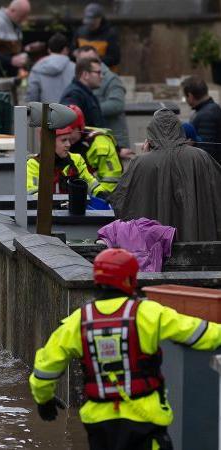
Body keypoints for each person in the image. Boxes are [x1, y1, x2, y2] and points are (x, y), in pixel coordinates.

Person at [30, 247, 221, 450]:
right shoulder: (148, 313)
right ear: (130, 280)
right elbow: (202, 334)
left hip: (99, 425)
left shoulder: (77, 321)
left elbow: (46, 368)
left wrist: (44, 400)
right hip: (145, 420)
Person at [109, 108, 221, 242]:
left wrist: (144, 158)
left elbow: (120, 201)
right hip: (200, 248)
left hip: (155, 250)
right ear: (180, 130)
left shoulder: (140, 163)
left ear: (150, 134)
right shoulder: (200, 157)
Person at [26, 125, 108, 198]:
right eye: (64, 140)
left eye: (69, 140)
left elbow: (90, 183)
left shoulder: (76, 159)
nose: (68, 144)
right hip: (49, 213)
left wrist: (100, 193)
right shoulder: (34, 164)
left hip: (74, 212)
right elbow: (33, 193)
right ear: (49, 142)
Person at [76, 45, 131, 150]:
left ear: (98, 60)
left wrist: (87, 110)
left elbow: (117, 105)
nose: (86, 64)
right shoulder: (78, 81)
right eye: (83, 61)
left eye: (90, 60)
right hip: (94, 142)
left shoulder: (111, 79)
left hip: (115, 143)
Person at [66, 104, 122, 196]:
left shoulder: (100, 145)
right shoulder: (66, 140)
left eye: (71, 131)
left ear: (80, 127)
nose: (67, 135)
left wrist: (100, 199)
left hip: (100, 197)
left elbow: (111, 179)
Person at [0, 0, 31, 78]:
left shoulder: (14, 22)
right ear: (12, 10)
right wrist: (10, 60)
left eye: (26, 16)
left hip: (9, 75)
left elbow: (9, 48)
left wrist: (26, 49)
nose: (24, 19)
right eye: (21, 16)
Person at [181, 75, 221, 163]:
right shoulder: (211, 109)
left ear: (190, 96)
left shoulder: (206, 114)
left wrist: (189, 146)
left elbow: (207, 153)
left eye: (185, 96)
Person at [25, 33, 75, 104]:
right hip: (70, 112)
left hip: (45, 113)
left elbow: (32, 95)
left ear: (49, 50)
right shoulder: (75, 68)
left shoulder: (37, 67)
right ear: (66, 49)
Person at [72, 3, 120, 71]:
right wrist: (75, 54)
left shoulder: (110, 34)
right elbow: (73, 51)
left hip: (104, 75)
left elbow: (115, 59)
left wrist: (94, 59)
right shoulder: (80, 32)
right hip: (84, 74)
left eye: (93, 24)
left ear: (99, 19)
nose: (90, 26)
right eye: (88, 23)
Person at [60, 56, 104, 127]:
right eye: (98, 72)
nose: (102, 76)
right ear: (85, 74)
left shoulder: (86, 93)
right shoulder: (74, 94)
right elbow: (70, 126)